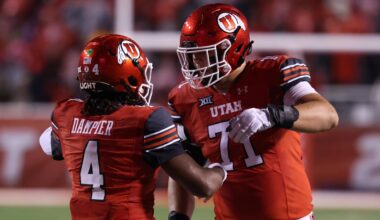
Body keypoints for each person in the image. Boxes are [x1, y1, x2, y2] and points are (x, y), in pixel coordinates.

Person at [167, 3, 339, 220]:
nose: (193, 63)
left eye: (201, 54)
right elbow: (184, 167)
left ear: (230, 49)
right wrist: (178, 217)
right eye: (190, 55)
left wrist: (272, 115)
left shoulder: (274, 73)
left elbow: (328, 115)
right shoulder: (184, 98)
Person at [39, 34, 227, 220]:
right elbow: (203, 186)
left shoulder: (65, 113)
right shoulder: (147, 119)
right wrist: (221, 168)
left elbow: (54, 148)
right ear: (126, 74)